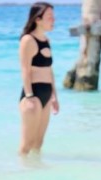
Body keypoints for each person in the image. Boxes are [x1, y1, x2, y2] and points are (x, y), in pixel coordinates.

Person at [19, 3, 59, 156]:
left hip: (46, 94)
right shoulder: (28, 40)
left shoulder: (46, 40)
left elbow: (49, 70)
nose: (53, 20)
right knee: (27, 144)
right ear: (38, 19)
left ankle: (35, 168)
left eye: (53, 17)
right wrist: (29, 96)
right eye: (50, 17)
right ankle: (20, 168)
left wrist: (54, 96)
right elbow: (25, 69)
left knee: (38, 143)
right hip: (33, 95)